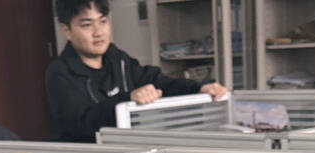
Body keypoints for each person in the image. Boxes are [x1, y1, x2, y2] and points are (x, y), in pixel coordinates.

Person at [46, 0, 228, 143]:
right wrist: (128, 98)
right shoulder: (59, 72)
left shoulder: (118, 60)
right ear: (67, 30)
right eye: (87, 25)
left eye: (103, 21)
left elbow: (159, 82)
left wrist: (199, 88)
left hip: (125, 152)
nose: (98, 32)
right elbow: (82, 122)